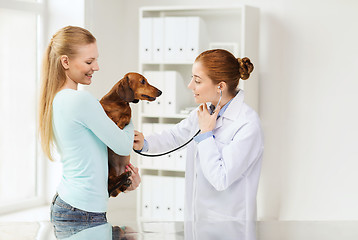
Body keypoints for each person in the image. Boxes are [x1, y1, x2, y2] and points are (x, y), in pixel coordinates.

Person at [133, 49, 264, 239]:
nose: (190, 85)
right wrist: (144, 143)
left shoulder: (247, 124)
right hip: (198, 224)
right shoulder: (205, 112)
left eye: (197, 80)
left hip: (230, 229)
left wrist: (206, 134)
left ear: (220, 86)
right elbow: (176, 135)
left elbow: (221, 178)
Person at [38, 26, 141, 229]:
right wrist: (127, 109)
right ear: (65, 61)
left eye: (95, 59)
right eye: (89, 61)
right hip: (81, 212)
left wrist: (123, 183)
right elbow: (122, 145)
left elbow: (89, 159)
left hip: (73, 206)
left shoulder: (58, 99)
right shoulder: (80, 100)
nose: (96, 67)